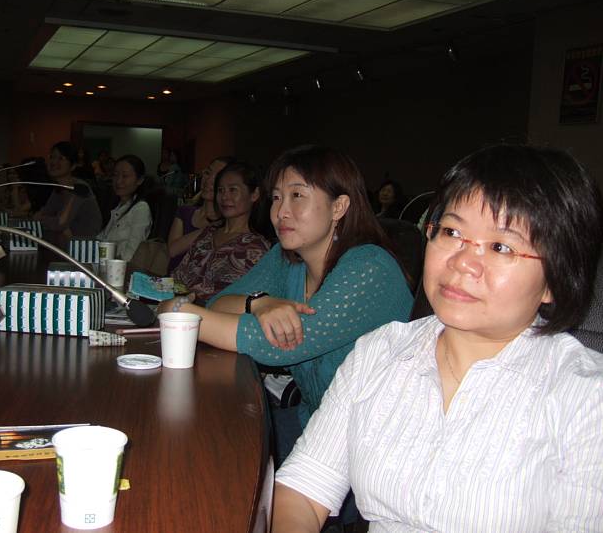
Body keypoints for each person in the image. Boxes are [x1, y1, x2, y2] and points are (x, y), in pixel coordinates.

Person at [272, 144, 603, 532]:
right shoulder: (379, 352)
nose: (462, 261)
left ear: (554, 279)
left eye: (500, 246)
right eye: (451, 232)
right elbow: (303, 489)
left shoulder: (585, 396)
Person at [159, 144, 412, 460]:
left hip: (374, 446)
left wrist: (177, 311)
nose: (281, 212)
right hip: (315, 424)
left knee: (218, 455)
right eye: (277, 197)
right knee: (200, 438)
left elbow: (277, 343)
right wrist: (259, 303)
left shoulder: (370, 268)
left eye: (297, 195)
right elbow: (219, 303)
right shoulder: (287, 259)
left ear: (339, 207)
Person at [171, 161, 271, 303]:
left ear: (254, 194)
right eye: (220, 190)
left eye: (233, 190)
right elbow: (177, 277)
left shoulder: (257, 247)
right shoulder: (208, 234)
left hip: (213, 314)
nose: (224, 197)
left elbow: (251, 300)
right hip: (177, 308)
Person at [167, 156, 232, 272]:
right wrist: (211, 228)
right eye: (207, 173)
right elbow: (173, 250)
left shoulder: (229, 224)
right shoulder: (185, 212)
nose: (209, 180)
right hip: (171, 279)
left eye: (218, 177)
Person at [34, 141, 102, 247]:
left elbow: (60, 223)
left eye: (61, 158)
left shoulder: (80, 188)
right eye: (52, 157)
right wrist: (48, 220)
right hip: (65, 244)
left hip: (86, 248)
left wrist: (44, 219)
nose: (54, 162)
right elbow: (43, 215)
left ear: (73, 166)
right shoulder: (58, 188)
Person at [97, 154, 152, 261]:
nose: (118, 181)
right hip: (104, 264)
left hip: (120, 268)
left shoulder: (141, 209)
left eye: (125, 176)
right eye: (115, 175)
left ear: (140, 180)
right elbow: (101, 240)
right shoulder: (116, 206)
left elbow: (132, 254)